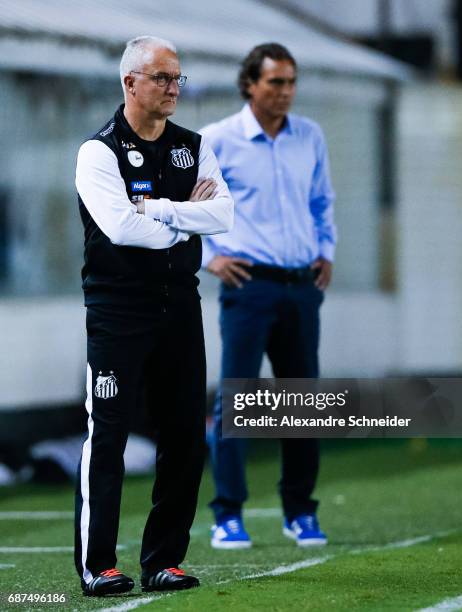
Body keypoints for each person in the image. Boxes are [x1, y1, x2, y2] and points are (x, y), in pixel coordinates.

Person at [74, 36, 233, 596]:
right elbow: (120, 228)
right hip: (118, 309)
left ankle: (163, 560)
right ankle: (99, 565)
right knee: (109, 434)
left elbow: (223, 214)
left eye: (178, 79)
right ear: (130, 83)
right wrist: (188, 214)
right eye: (162, 78)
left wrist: (160, 208)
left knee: (187, 434)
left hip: (179, 306)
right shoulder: (99, 152)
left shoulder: (193, 145)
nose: (173, 89)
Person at [201, 43, 336, 550]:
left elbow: (323, 200)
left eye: (291, 82)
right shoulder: (218, 139)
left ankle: (300, 512)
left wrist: (326, 250)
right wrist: (208, 257)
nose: (285, 92)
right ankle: (227, 514)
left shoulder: (310, 137)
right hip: (247, 286)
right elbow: (191, 206)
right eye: (275, 82)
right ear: (250, 85)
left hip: (302, 288)